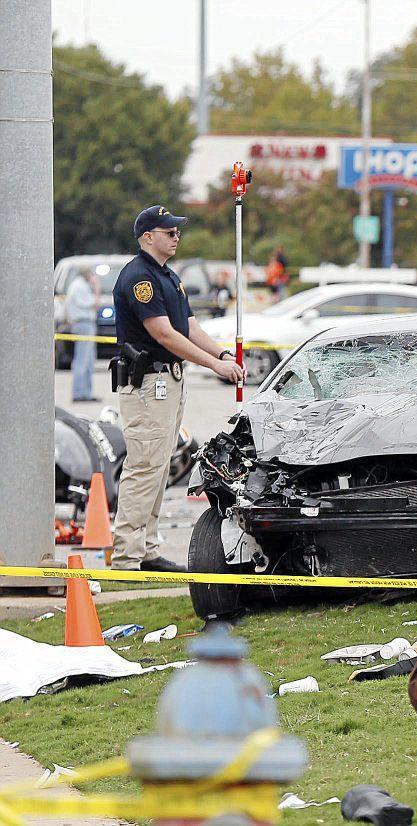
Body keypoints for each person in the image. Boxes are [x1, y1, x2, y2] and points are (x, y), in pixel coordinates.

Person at [110, 205, 246, 573]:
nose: (176, 236)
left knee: (159, 467)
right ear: (147, 237)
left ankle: (148, 549)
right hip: (147, 383)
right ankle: (126, 557)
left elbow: (188, 326)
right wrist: (213, 365)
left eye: (176, 231)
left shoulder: (168, 276)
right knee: (144, 467)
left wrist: (220, 352)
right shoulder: (139, 277)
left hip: (167, 380)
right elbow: (163, 333)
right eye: (168, 231)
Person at [65, 269, 100, 401]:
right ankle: (79, 393)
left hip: (86, 324)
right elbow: (93, 303)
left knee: (89, 360)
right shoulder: (80, 286)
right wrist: (97, 288)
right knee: (83, 359)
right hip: (83, 324)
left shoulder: (80, 285)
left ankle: (86, 392)